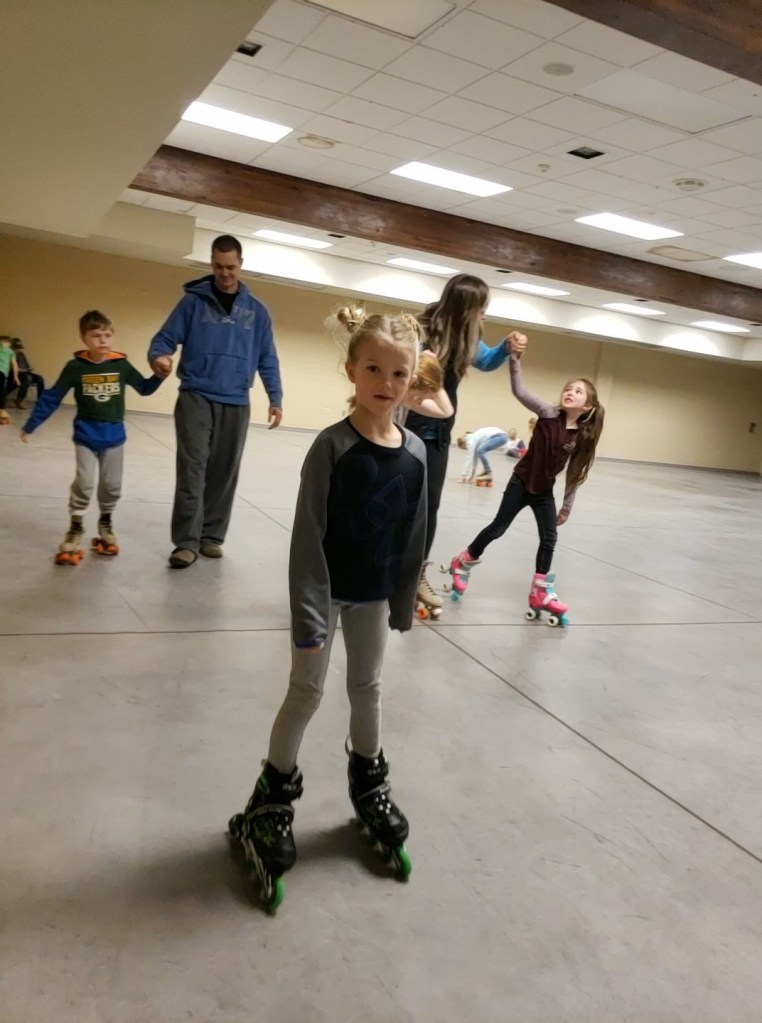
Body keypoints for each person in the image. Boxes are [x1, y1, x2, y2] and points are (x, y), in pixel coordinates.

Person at [228, 308, 428, 910]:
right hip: (325, 594)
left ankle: (368, 782)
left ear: (411, 378)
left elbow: (414, 533)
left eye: (398, 373)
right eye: (374, 369)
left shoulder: (416, 452)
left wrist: (403, 598)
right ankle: (271, 797)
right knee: (306, 692)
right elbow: (307, 537)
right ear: (351, 370)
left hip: (373, 595)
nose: (385, 383)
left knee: (368, 688)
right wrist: (311, 614)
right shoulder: (331, 446)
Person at [448, 332, 604, 624]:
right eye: (569, 388)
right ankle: (463, 560)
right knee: (498, 528)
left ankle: (539, 591)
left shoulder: (580, 437)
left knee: (549, 538)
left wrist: (566, 507)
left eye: (578, 392)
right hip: (520, 484)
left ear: (587, 407)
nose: (570, 392)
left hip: (543, 492)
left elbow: (574, 473)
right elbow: (519, 391)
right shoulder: (547, 414)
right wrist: (514, 359)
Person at [148, 234, 283, 569]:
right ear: (211, 263)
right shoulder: (192, 303)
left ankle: (211, 537)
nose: (225, 273)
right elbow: (164, 338)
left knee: (224, 472)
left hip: (236, 400)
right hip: (196, 396)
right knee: (193, 469)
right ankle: (186, 542)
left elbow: (267, 357)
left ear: (241, 265)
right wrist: (159, 357)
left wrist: (275, 397)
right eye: (219, 267)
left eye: (231, 267)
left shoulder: (257, 312)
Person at [404, 274, 518, 612]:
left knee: (430, 507)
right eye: (480, 308)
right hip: (405, 428)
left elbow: (485, 360)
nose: (484, 315)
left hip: (438, 434)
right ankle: (377, 569)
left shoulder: (468, 336)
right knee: (394, 503)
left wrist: (505, 348)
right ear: (464, 306)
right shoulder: (422, 329)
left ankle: (415, 577)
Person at [20, 310, 164, 563]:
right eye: (96, 335)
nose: (103, 340)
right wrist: (31, 424)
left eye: (107, 335)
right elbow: (52, 396)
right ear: (84, 339)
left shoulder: (121, 365)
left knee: (112, 485)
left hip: (114, 436)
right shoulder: (75, 367)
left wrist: (160, 375)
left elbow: (144, 388)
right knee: (84, 483)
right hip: (86, 435)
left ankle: (105, 522)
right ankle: (76, 526)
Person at [6, 338, 45, 409]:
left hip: (25, 373)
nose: (18, 350)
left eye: (19, 348)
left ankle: (40, 400)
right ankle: (19, 400)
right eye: (16, 348)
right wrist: (22, 370)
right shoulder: (8, 354)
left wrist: (28, 368)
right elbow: (10, 368)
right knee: (27, 378)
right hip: (14, 374)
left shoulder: (21, 354)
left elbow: (26, 365)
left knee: (40, 378)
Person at [0, 336, 20, 425]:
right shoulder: (11, 352)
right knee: (2, 391)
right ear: (9, 343)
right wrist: (16, 377)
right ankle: (2, 410)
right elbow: (15, 364)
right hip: (1, 373)